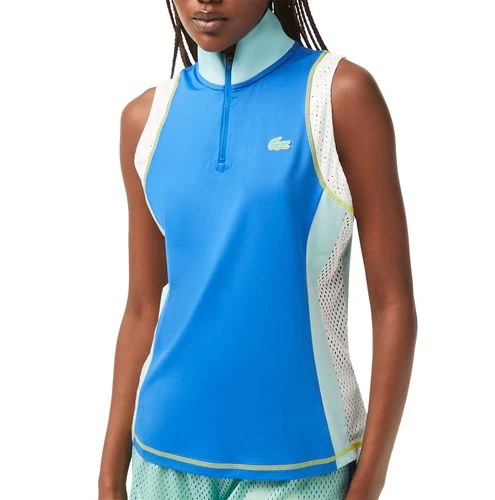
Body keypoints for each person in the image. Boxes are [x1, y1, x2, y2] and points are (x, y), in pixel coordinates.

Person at [98, 1, 418, 499]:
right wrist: (108, 477)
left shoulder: (338, 96)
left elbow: (393, 304)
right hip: (160, 460)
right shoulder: (146, 119)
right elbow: (142, 307)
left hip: (303, 464)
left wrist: (369, 483)